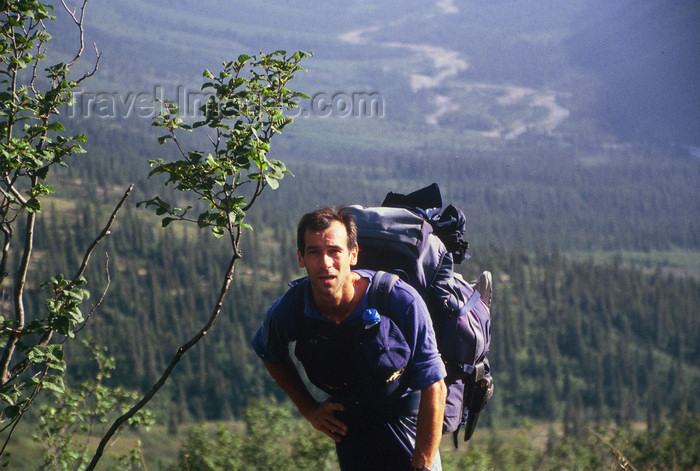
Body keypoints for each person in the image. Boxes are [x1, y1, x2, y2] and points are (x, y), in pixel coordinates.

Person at [251, 207, 447, 471]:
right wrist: (308, 408)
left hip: (406, 419)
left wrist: (422, 464)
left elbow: (435, 385)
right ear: (300, 258)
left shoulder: (399, 300)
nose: (325, 263)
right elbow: (269, 352)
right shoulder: (291, 308)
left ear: (353, 255)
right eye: (314, 252)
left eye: (334, 251)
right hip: (349, 423)